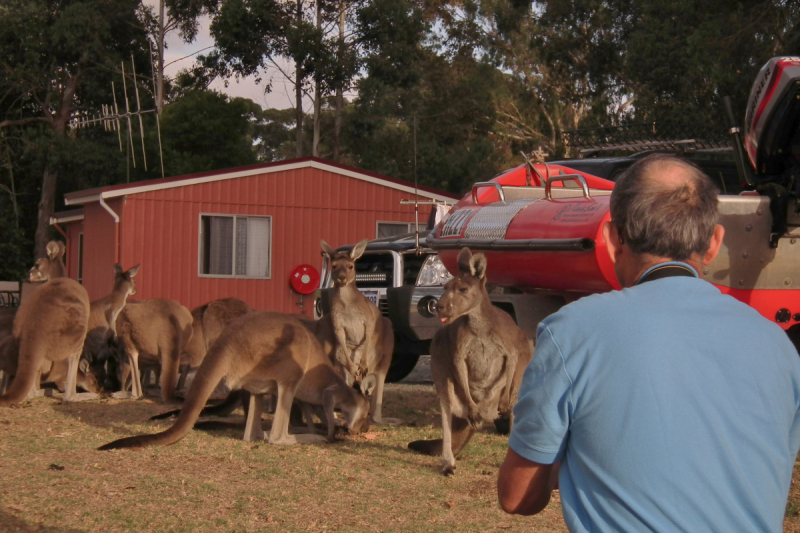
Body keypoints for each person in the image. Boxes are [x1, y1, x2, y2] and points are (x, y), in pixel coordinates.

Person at [497, 153, 800, 532]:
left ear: (611, 240)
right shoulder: (779, 347)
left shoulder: (572, 332)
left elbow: (516, 496)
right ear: (714, 243)